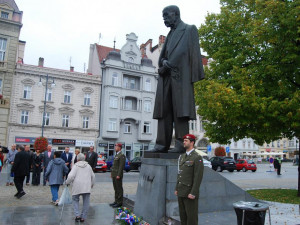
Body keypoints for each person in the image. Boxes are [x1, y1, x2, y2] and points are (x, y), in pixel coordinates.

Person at [151, 5, 205, 153]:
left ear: (175, 14)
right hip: (166, 78)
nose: (164, 19)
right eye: (163, 17)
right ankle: (162, 144)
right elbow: (162, 58)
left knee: (180, 112)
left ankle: (181, 144)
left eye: (166, 16)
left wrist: (192, 76)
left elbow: (192, 54)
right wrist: (163, 62)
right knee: (164, 111)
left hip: (181, 78)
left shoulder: (189, 30)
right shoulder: (169, 34)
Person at [175, 134, 204, 225]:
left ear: (192, 142)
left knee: (191, 218)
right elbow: (180, 173)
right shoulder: (182, 157)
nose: (184, 142)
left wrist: (193, 192)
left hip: (189, 192)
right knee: (183, 217)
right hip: (181, 191)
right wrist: (177, 188)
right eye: (184, 140)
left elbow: (198, 176)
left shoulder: (197, 157)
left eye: (186, 141)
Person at [66, 153, 95, 223]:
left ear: (77, 159)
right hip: (86, 186)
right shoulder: (88, 166)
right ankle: (83, 217)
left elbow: (70, 176)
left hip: (77, 186)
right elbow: (93, 176)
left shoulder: (75, 166)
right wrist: (91, 184)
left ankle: (77, 215)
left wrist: (67, 182)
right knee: (86, 202)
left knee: (75, 200)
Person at [110, 143, 126, 208]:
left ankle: (119, 202)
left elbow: (121, 167)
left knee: (119, 188)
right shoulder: (116, 155)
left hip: (117, 175)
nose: (115, 147)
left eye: (116, 146)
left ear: (119, 147)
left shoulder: (121, 155)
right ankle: (116, 201)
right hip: (114, 174)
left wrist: (118, 175)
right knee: (115, 188)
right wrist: (112, 174)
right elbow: (114, 166)